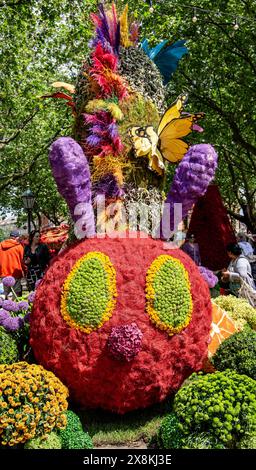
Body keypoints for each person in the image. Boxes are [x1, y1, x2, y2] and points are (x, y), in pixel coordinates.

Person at [0, 230, 24, 298]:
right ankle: (17, 308)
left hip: (4, 273)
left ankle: (6, 308)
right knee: (16, 294)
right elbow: (22, 261)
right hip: (16, 273)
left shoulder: (1, 245)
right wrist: (24, 271)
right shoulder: (19, 247)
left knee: (6, 294)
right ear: (16, 237)